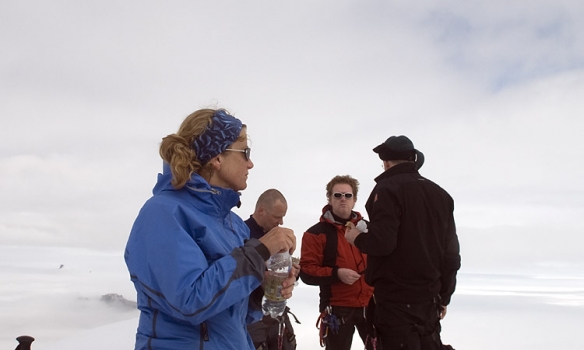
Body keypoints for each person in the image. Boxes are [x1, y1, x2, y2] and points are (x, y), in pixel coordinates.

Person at [124, 108, 297, 350]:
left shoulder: (233, 224)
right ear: (217, 158)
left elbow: (233, 314)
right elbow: (189, 300)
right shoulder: (163, 213)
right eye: (245, 152)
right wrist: (259, 253)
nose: (251, 163)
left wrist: (264, 286)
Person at [345, 135, 461, 350]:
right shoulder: (442, 195)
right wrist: (444, 296)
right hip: (429, 302)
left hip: (395, 305)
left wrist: (357, 238)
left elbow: (383, 243)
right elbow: (451, 255)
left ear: (386, 163)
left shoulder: (386, 190)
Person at [299, 175, 376, 350]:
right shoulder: (315, 234)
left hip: (371, 305)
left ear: (354, 200)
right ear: (330, 198)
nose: (343, 199)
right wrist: (337, 273)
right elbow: (307, 271)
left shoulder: (370, 230)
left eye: (348, 196)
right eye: (338, 195)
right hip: (337, 308)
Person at [245, 189, 299, 350]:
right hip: (250, 315)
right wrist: (262, 276)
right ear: (261, 210)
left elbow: (287, 271)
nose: (281, 222)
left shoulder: (279, 236)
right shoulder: (240, 232)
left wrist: (294, 272)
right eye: (277, 217)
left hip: (277, 310)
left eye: (283, 216)